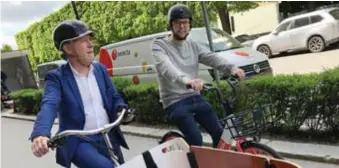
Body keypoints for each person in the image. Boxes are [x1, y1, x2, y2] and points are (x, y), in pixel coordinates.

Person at [30, 19, 131, 168]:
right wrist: (40, 133)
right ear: (68, 48)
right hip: (79, 141)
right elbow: (49, 104)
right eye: (83, 40)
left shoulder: (100, 70)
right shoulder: (56, 77)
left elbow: (114, 97)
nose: (91, 45)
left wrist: (121, 109)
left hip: (108, 135)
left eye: (89, 39)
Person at [152, 4, 246, 148]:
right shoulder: (159, 45)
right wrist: (186, 81)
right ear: (171, 24)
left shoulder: (192, 45)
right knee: (196, 140)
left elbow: (211, 57)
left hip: (194, 96)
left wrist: (232, 68)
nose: (182, 27)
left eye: (185, 23)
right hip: (175, 101)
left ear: (190, 25)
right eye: (178, 23)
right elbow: (167, 68)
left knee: (221, 135)